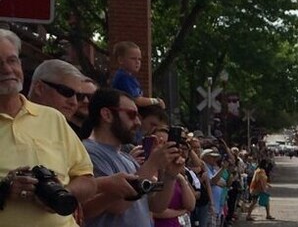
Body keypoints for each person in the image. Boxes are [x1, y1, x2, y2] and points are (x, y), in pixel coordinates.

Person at [0, 29, 97, 227]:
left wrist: (64, 192)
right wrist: (5, 189)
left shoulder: (52, 118)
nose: (7, 69)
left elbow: (88, 181)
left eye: (12, 60)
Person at [81, 87, 183, 227]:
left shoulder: (127, 159)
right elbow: (117, 206)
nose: (138, 122)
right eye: (131, 115)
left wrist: (170, 175)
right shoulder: (87, 152)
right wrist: (152, 164)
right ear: (107, 115)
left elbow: (156, 206)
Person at [109, 41, 165, 109]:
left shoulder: (130, 77)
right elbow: (138, 101)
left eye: (139, 59)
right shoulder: (123, 78)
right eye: (133, 58)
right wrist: (156, 101)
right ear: (121, 60)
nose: (137, 62)